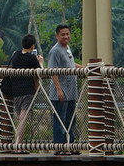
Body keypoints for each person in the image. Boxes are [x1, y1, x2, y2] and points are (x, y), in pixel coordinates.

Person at [46, 24, 82, 155]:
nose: (66, 36)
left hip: (71, 91)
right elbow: (53, 70)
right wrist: (58, 89)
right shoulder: (55, 51)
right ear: (57, 36)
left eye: (67, 34)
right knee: (60, 120)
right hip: (61, 93)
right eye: (63, 34)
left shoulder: (67, 48)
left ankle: (70, 145)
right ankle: (60, 147)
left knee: (70, 120)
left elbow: (71, 65)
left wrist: (85, 68)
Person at [10, 34, 43, 152]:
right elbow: (41, 72)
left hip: (16, 91)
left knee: (20, 119)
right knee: (23, 119)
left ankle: (18, 144)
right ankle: (17, 146)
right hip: (28, 92)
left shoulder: (15, 55)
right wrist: (41, 62)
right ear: (32, 46)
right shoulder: (31, 58)